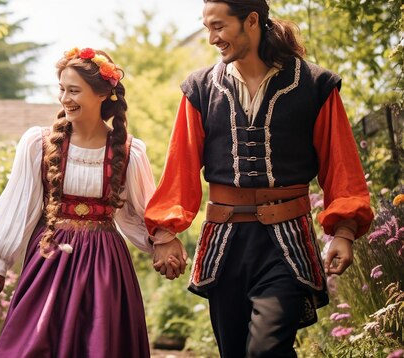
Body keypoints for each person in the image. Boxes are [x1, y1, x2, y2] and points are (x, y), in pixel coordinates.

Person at [144, 1, 374, 357]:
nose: (211, 38)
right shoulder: (200, 89)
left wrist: (344, 230)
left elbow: (341, 166)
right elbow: (180, 169)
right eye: (207, 27)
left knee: (265, 350)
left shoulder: (314, 84)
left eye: (218, 26)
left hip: (287, 245)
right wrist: (165, 231)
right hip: (224, 245)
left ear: (251, 20)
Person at [0, 47, 156, 357]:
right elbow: (20, 205)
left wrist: (161, 241)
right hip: (50, 258)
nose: (64, 98)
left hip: (105, 265)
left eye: (74, 90)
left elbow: (140, 211)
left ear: (102, 94)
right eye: (62, 89)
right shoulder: (39, 144)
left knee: (100, 342)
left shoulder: (128, 151)